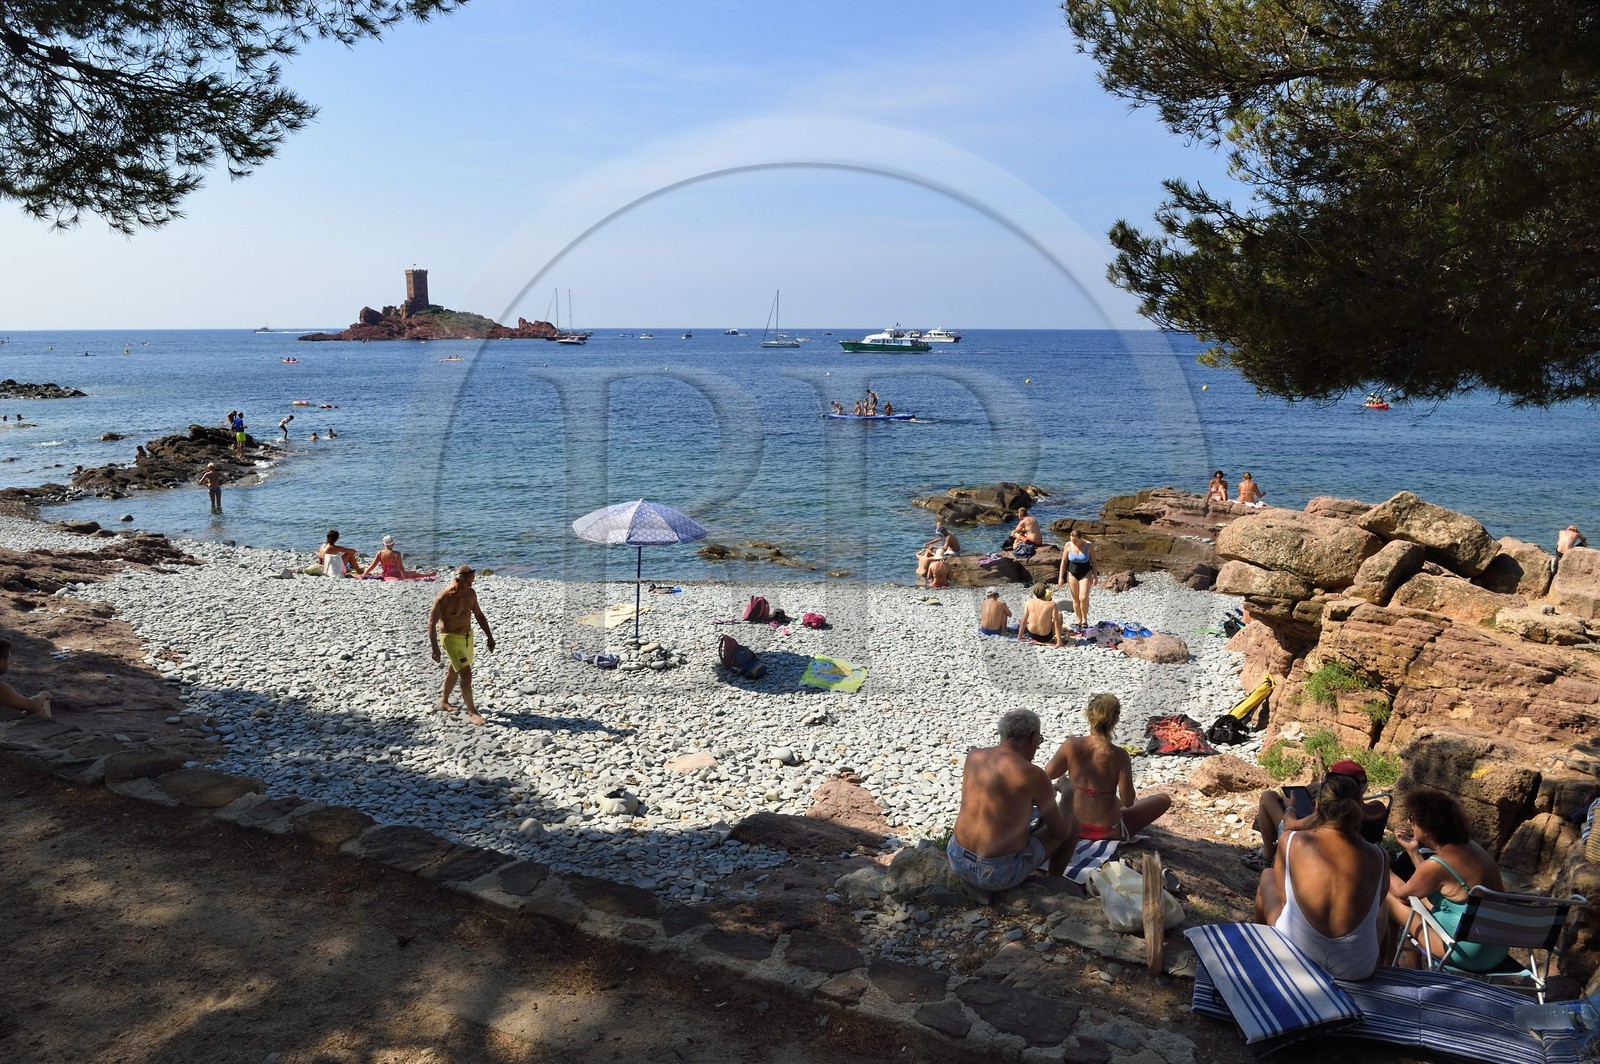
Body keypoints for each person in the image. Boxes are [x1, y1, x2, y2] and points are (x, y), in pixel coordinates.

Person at [1253, 772, 1388, 980]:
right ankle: (1387, 968)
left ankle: (1260, 955)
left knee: (1268, 876)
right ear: (1359, 809)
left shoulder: (1291, 842)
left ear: (1317, 807)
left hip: (1294, 957)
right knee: (1382, 907)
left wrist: (1291, 808)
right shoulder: (1380, 856)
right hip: (1356, 969)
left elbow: (1283, 900)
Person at [948, 709, 1078, 888]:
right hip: (994, 874)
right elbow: (1060, 831)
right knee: (1071, 822)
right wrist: (1069, 793)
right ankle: (1052, 884)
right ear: (1033, 737)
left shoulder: (974, 756)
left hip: (957, 859)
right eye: (1039, 740)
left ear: (1003, 734)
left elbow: (999, 797)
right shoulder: (1034, 775)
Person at [1385, 788, 1507, 971]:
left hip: (1466, 951)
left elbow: (1401, 894)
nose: (1409, 822)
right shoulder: (1472, 848)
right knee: (1418, 899)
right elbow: (1428, 881)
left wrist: (1379, 859)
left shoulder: (1438, 864)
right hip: (1497, 947)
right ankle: (1410, 963)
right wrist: (1413, 852)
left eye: (1412, 817)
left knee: (1388, 896)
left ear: (1426, 826)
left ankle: (1385, 967)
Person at [1045, 693, 1171, 843]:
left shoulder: (1071, 745)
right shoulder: (1120, 755)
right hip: (1107, 831)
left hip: (1071, 825)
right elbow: (1128, 801)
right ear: (1115, 721)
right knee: (1163, 799)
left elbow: (1049, 773)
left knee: (1105, 795)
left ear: (1089, 716)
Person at [1245, 759, 1388, 871]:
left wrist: (1291, 808)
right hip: (1357, 859)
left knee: (1268, 797)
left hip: (1319, 854)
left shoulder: (1329, 814)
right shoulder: (1379, 808)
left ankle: (1267, 857)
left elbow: (1290, 826)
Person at [428, 566, 495, 727]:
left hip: (467, 637)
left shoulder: (470, 594)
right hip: (450, 639)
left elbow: (479, 615)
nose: (470, 587)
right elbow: (431, 623)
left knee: (455, 668)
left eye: (472, 583)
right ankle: (472, 711)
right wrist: (435, 648)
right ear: (457, 580)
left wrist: (490, 636)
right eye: (467, 584)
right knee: (465, 673)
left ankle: (443, 701)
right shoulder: (444, 597)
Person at [0, 638, 53, 719]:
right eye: (9, 658)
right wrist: (44, 694)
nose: (9, 662)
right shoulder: (1, 689)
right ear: (1, 662)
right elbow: (33, 705)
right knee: (39, 712)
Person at [1057, 529, 1096, 632]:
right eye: (1072, 540)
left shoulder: (1089, 545)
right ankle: (1079, 620)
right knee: (1075, 599)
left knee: (1083, 597)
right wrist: (1060, 577)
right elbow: (1064, 562)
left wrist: (1095, 576)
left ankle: (1084, 619)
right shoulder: (1068, 545)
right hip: (1072, 573)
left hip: (1086, 573)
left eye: (1075, 541)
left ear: (1081, 538)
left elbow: (1094, 562)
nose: (1073, 543)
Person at [362, 535, 435, 580]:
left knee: (412, 573)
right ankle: (428, 575)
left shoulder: (380, 553)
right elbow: (401, 568)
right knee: (413, 573)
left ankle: (428, 574)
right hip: (396, 574)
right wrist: (405, 578)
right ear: (393, 544)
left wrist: (365, 573)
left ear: (383, 544)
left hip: (386, 574)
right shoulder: (396, 554)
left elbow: (373, 565)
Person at [1017, 582, 1064, 646]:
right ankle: (1058, 638)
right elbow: (1056, 624)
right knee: (1059, 616)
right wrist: (1059, 642)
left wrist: (1019, 636)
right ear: (1045, 592)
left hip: (1032, 635)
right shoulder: (1052, 604)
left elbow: (1024, 621)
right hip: (1046, 637)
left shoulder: (1029, 602)